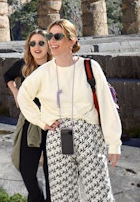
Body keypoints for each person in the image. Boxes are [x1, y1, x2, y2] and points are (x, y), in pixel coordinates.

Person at [17, 19, 121, 202]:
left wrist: (114, 142)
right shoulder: (43, 72)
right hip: (57, 136)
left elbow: (106, 105)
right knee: (62, 197)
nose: (52, 41)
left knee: (100, 195)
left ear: (72, 40)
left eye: (58, 36)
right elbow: (23, 96)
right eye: (50, 37)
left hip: (88, 134)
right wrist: (42, 121)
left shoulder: (90, 67)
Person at [4, 29, 52, 202]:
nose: (37, 47)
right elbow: (7, 76)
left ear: (48, 44)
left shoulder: (57, 66)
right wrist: (15, 92)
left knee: (52, 174)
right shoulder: (24, 65)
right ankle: (37, 197)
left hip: (53, 125)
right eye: (32, 43)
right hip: (30, 123)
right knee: (25, 168)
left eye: (41, 43)